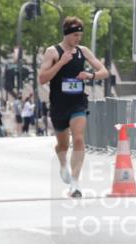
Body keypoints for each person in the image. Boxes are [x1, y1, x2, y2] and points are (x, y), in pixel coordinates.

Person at [38, 16, 108, 198]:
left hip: (78, 103)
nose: (78, 38)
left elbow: (104, 72)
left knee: (78, 139)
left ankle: (75, 184)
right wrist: (61, 62)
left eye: (80, 35)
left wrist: (90, 76)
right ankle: (63, 165)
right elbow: (42, 78)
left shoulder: (83, 51)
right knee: (63, 144)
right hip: (59, 104)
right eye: (75, 35)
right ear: (67, 34)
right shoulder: (52, 52)